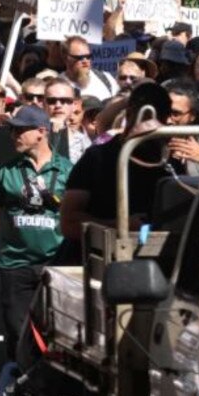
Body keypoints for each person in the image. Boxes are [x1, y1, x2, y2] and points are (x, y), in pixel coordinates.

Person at [0, 106, 72, 396]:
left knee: (57, 335)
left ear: (41, 132)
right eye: (12, 129)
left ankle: (55, 394)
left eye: (20, 130)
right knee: (19, 335)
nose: (13, 135)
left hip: (55, 265)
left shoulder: (67, 170)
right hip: (15, 264)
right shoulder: (6, 171)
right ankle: (25, 393)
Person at [61, 82, 179, 262]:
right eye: (144, 118)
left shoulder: (172, 165)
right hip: (97, 266)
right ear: (130, 115)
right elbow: (69, 222)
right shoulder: (97, 158)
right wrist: (119, 226)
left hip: (156, 267)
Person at [44, 78, 90, 163]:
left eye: (64, 100)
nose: (58, 105)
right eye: (52, 101)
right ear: (44, 104)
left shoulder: (82, 141)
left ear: (73, 105)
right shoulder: (34, 136)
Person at [60, 36, 116, 101]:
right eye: (79, 58)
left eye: (88, 57)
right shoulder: (57, 87)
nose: (85, 62)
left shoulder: (107, 79)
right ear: (66, 58)